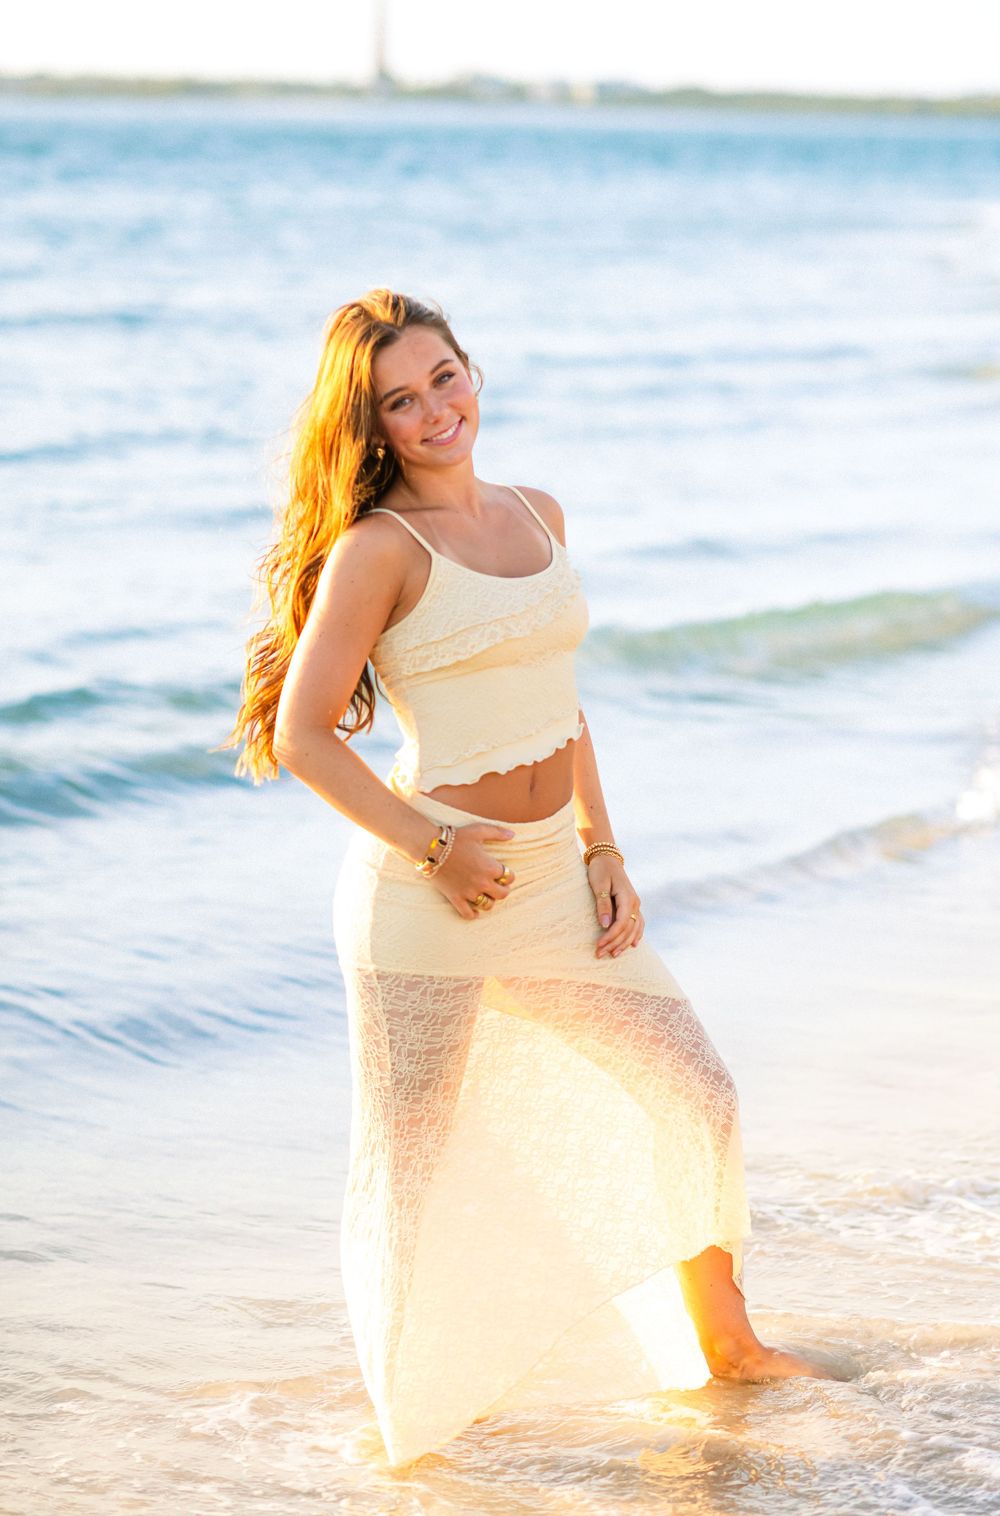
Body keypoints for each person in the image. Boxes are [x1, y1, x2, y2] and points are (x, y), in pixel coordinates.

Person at [225, 288, 832, 1469]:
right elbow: (302, 734)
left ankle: (729, 1349)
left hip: (557, 880)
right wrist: (431, 845)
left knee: (692, 1090)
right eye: (401, 401)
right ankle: (411, 1437)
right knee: (411, 1163)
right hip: (427, 900)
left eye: (443, 378)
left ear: (473, 372)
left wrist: (605, 850)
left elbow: (561, 704)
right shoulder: (376, 551)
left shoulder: (540, 514)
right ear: (376, 427)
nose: (433, 410)